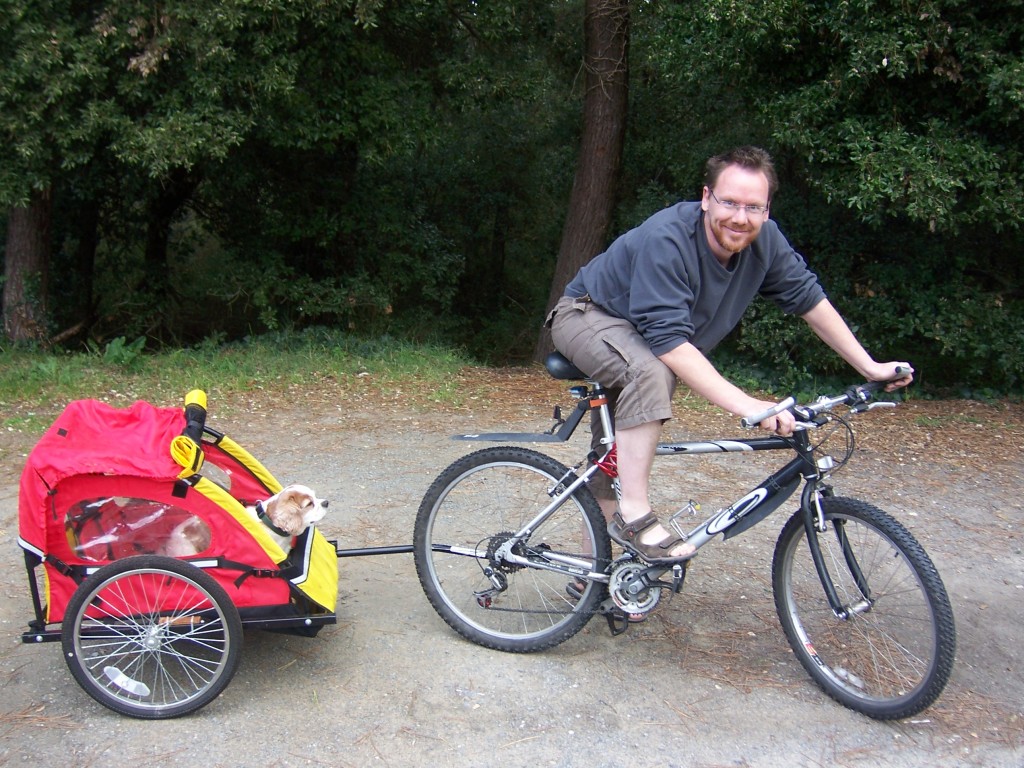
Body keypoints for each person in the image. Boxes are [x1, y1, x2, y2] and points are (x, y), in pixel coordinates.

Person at [547, 146, 913, 564]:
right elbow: (669, 344)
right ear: (706, 198)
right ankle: (635, 516)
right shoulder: (668, 239)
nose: (740, 217)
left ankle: (593, 575)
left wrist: (869, 367)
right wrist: (750, 405)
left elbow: (809, 299)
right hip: (587, 314)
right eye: (729, 202)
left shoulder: (765, 242)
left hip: (637, 336)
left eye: (753, 207)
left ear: (767, 210)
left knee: (614, 456)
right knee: (650, 373)